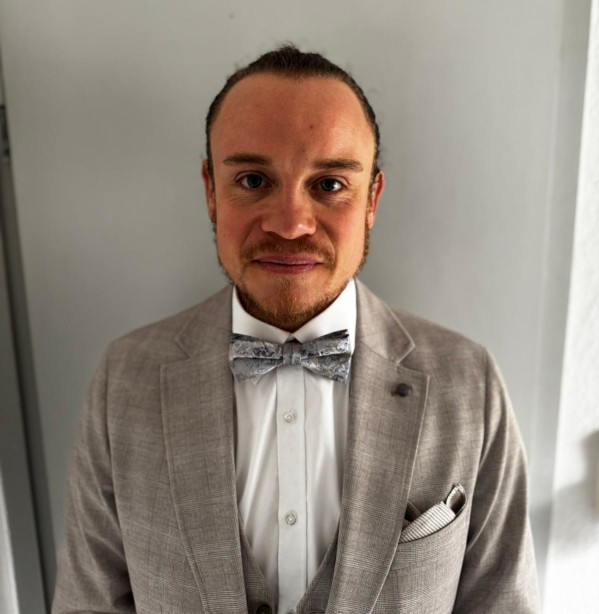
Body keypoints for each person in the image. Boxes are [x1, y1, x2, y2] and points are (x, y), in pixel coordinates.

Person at [53, 45, 540, 614]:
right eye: (253, 180)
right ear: (211, 191)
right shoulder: (124, 380)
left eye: (329, 185)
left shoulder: (470, 383)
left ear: (371, 199)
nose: (290, 224)